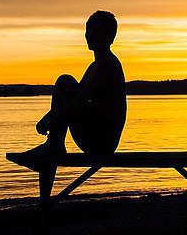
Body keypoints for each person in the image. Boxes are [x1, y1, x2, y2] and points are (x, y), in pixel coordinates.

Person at [24, 10, 127, 162]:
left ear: (110, 36)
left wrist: (54, 122)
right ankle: (53, 145)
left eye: (96, 30)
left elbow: (81, 100)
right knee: (65, 84)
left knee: (65, 81)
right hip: (96, 135)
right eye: (88, 30)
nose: (89, 35)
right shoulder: (96, 65)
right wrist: (49, 117)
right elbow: (72, 98)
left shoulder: (108, 64)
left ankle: (54, 145)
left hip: (103, 140)